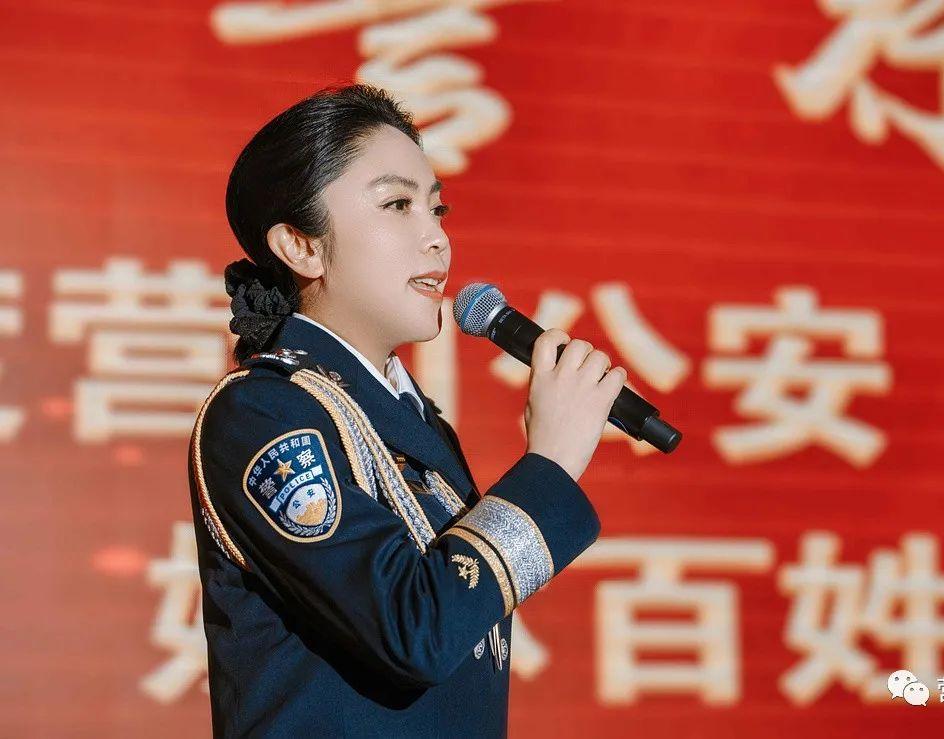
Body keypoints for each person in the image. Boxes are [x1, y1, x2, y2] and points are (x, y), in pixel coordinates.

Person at [188, 82, 627, 738]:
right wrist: (550, 464)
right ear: (302, 246)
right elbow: (413, 630)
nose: (438, 239)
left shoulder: (417, 422)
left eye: (438, 208)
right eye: (398, 204)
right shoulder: (261, 412)